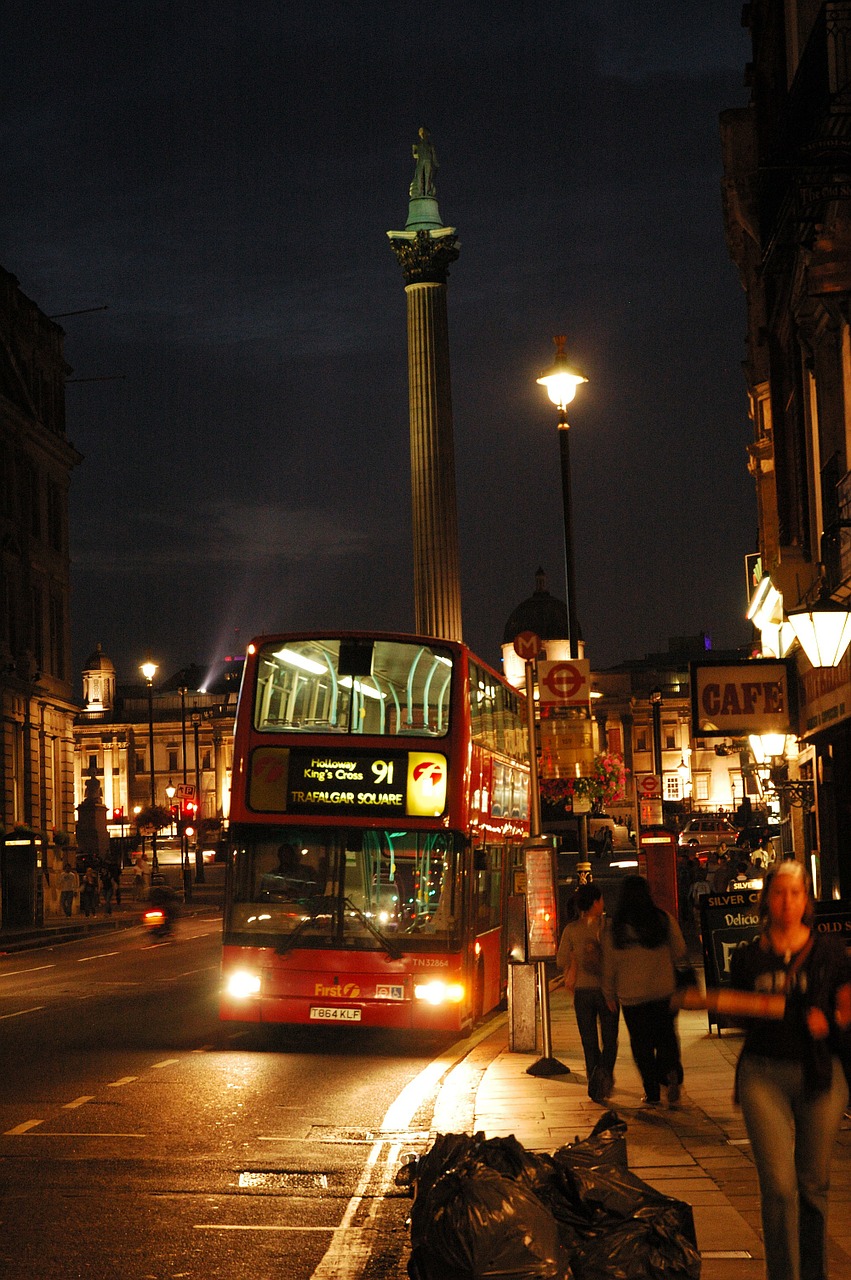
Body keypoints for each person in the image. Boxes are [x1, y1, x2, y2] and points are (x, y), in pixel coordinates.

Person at [729, 859, 851, 1280]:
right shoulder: (748, 958)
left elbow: (847, 1009)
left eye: (795, 893)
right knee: (780, 1187)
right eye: (779, 893)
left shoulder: (831, 954)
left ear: (807, 901)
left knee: (813, 1184)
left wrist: (832, 1021)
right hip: (763, 1074)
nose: (787, 901)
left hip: (820, 1074)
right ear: (767, 900)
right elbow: (737, 1012)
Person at [602, 874, 689, 1107]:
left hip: (633, 997)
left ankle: (652, 1092)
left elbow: (608, 967)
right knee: (667, 1038)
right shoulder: (662, 920)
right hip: (663, 991)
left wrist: (609, 994)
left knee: (641, 1045)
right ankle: (671, 1075)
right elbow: (680, 950)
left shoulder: (616, 930)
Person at [557, 882, 619, 1104]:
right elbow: (615, 960)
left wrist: (575, 957)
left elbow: (560, 960)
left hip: (582, 993)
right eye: (601, 899)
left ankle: (595, 1082)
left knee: (589, 1040)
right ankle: (604, 1075)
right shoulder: (608, 927)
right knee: (610, 1040)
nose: (603, 903)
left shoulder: (571, 930)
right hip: (606, 992)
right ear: (595, 903)